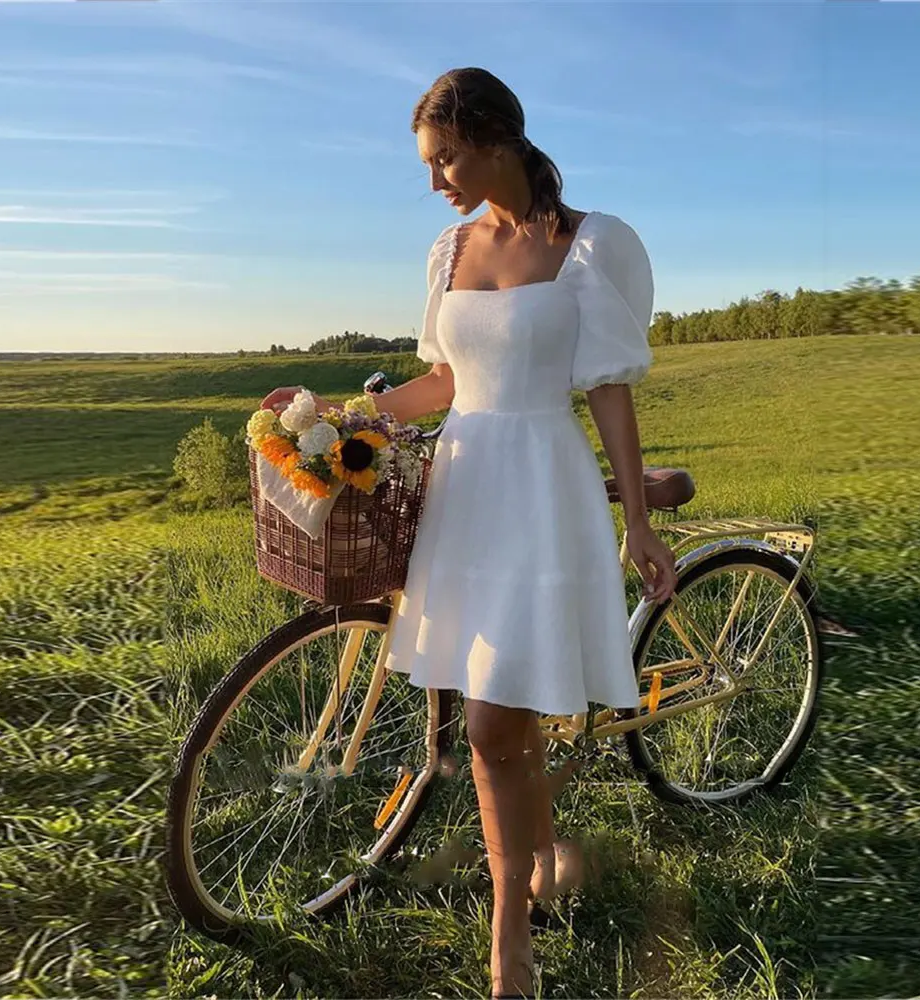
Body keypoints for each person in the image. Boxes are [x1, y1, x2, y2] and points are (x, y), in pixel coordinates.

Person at [260, 66, 677, 1000]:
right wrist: (344, 414)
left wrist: (638, 518)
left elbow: (607, 384)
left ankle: (509, 934)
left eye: (446, 158)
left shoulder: (589, 245)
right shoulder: (449, 251)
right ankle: (533, 859)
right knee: (500, 710)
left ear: (496, 139)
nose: (437, 179)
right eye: (431, 163)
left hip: (543, 486)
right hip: (466, 485)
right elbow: (443, 384)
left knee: (491, 724)